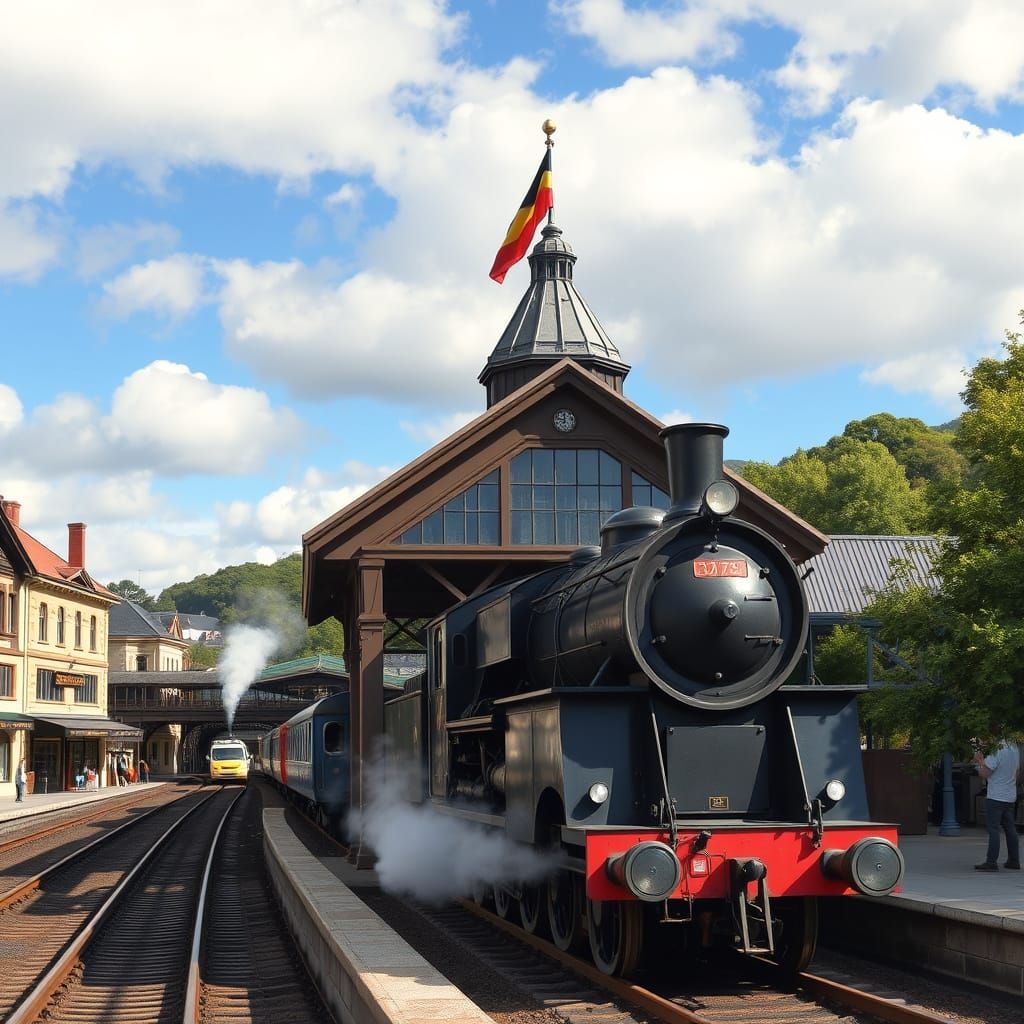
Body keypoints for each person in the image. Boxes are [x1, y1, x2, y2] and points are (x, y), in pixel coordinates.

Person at [973, 729, 1021, 871]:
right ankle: (1014, 860)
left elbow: (984, 773)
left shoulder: (997, 750)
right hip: (1010, 795)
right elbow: (1017, 773)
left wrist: (979, 761)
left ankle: (991, 862)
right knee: (1010, 828)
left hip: (995, 796)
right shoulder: (1014, 748)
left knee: (993, 829)